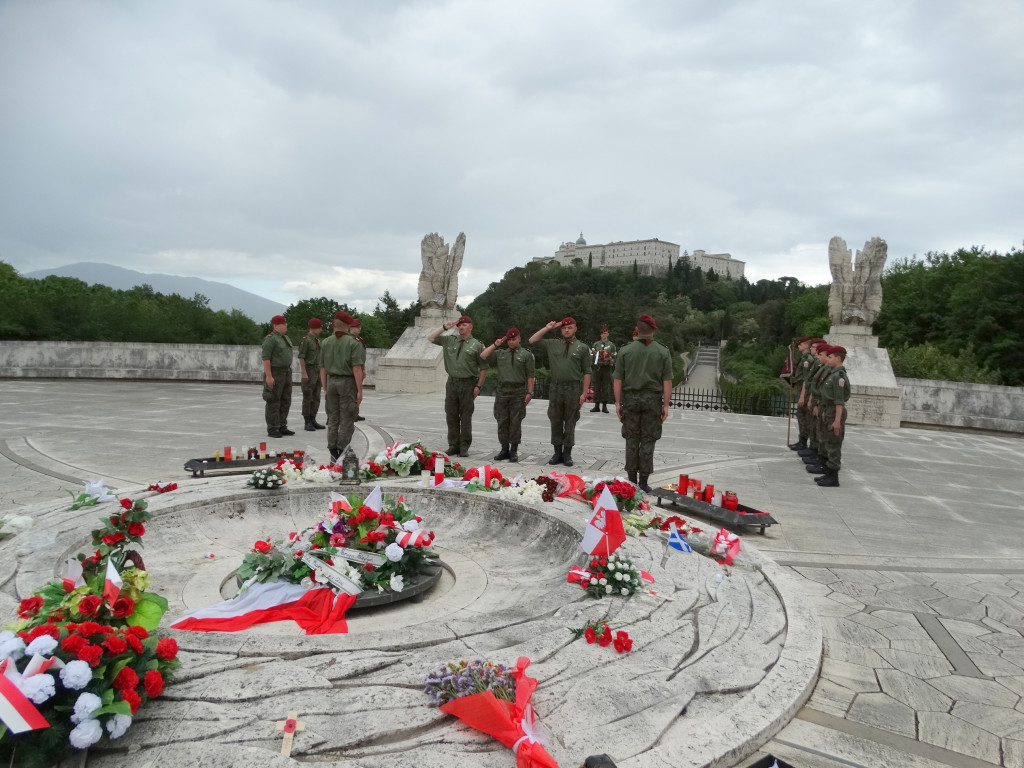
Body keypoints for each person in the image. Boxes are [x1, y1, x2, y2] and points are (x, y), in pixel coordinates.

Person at [613, 314, 672, 492]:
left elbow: (617, 379)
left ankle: (631, 480)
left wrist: (617, 403)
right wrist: (666, 405)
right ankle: (644, 482)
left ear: (637, 330)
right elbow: (667, 381)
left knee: (631, 439)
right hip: (652, 401)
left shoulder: (625, 351)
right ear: (653, 330)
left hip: (630, 400)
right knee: (648, 440)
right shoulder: (663, 352)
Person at [529, 317, 592, 467]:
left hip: (573, 388)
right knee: (555, 420)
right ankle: (557, 452)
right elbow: (532, 340)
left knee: (570, 421)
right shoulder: (553, 344)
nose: (567, 330)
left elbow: (587, 372)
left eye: (570, 327)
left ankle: (567, 453)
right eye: (564, 328)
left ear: (575, 328)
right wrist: (548, 328)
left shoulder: (582, 347)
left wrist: (584, 394)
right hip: (556, 388)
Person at [426, 315, 486, 457]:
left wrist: (478, 386)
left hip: (468, 383)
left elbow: (484, 368)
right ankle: (453, 445)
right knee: (451, 415)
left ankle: (464, 446)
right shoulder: (449, 340)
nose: (461, 327)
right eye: (459, 325)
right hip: (452, 382)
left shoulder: (477, 345)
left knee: (465, 416)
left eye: (464, 325)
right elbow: (430, 338)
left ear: (471, 327)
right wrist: (445, 327)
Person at [480, 328, 536, 462]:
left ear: (519, 339)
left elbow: (531, 375)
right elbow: (483, 355)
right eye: (509, 339)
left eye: (514, 339)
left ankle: (514, 450)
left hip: (518, 391)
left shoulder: (526, 355)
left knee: (516, 421)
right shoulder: (500, 353)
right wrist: (496, 344)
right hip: (502, 391)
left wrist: (530, 392)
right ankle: (504, 449)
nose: (511, 342)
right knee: (502, 420)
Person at [319, 310, 365, 464]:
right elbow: (357, 368)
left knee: (333, 418)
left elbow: (322, 368)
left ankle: (332, 450)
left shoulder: (325, 342)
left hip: (331, 382)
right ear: (347, 325)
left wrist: (325, 387)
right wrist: (360, 390)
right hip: (347, 383)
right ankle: (342, 450)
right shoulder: (354, 343)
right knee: (347, 419)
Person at [815, 345, 851, 487]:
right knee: (828, 442)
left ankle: (833, 477)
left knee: (834, 444)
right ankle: (828, 472)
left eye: (830, 357)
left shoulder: (839, 377)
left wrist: (837, 420)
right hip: (828, 410)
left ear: (838, 358)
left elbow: (839, 401)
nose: (828, 359)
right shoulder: (833, 374)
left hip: (834, 412)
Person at [262, 315, 294, 438]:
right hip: (275, 372)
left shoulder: (284, 338)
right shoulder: (271, 339)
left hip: (286, 372)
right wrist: (269, 376)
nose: (286, 326)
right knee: (273, 400)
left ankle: (282, 425)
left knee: (286, 400)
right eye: (283, 324)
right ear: (276, 325)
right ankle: (272, 428)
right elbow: (266, 358)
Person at [297, 318, 326, 431]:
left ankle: (313, 418)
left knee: (316, 397)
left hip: (317, 369)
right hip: (309, 369)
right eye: (319, 327)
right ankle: (307, 421)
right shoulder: (306, 340)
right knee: (308, 396)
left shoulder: (317, 340)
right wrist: (304, 372)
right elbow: (302, 357)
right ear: (314, 327)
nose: (321, 329)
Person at [787, 336, 815, 450]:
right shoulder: (804, 358)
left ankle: (803, 442)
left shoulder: (807, 359)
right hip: (800, 389)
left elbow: (806, 378)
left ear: (807, 345)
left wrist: (803, 395)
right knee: (801, 415)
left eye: (801, 344)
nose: (799, 346)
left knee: (803, 416)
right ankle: (802, 440)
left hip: (805, 391)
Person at [590, 327, 617, 413]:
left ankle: (604, 405)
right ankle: (596, 405)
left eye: (605, 333)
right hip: (598, 367)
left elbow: (614, 356)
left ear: (608, 334)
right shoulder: (596, 344)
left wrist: (609, 360)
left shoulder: (611, 345)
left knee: (606, 386)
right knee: (597, 386)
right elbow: (592, 355)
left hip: (607, 368)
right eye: (602, 333)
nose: (603, 335)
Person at [349, 316, 368, 422]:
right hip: (352, 371)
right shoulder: (349, 340)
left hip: (359, 368)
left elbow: (362, 357)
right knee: (352, 394)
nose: (359, 329)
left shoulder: (359, 340)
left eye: (359, 327)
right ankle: (351, 413)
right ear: (351, 328)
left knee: (356, 392)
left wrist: (364, 369)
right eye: (356, 327)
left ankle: (355, 412)